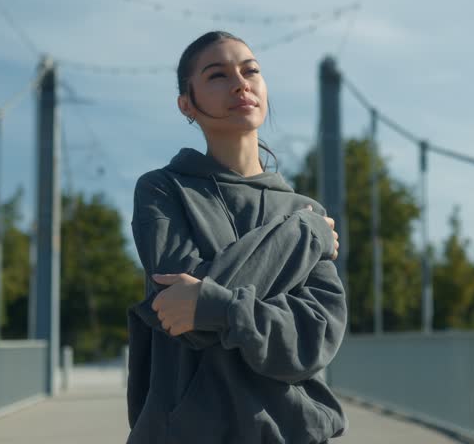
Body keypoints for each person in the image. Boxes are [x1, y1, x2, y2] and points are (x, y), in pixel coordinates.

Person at [126, 30, 349, 444]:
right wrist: (299, 236)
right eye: (217, 75)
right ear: (186, 104)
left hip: (291, 433)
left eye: (251, 71)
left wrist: (218, 307)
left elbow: (313, 337)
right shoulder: (163, 190)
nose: (240, 83)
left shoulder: (306, 210)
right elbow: (182, 317)